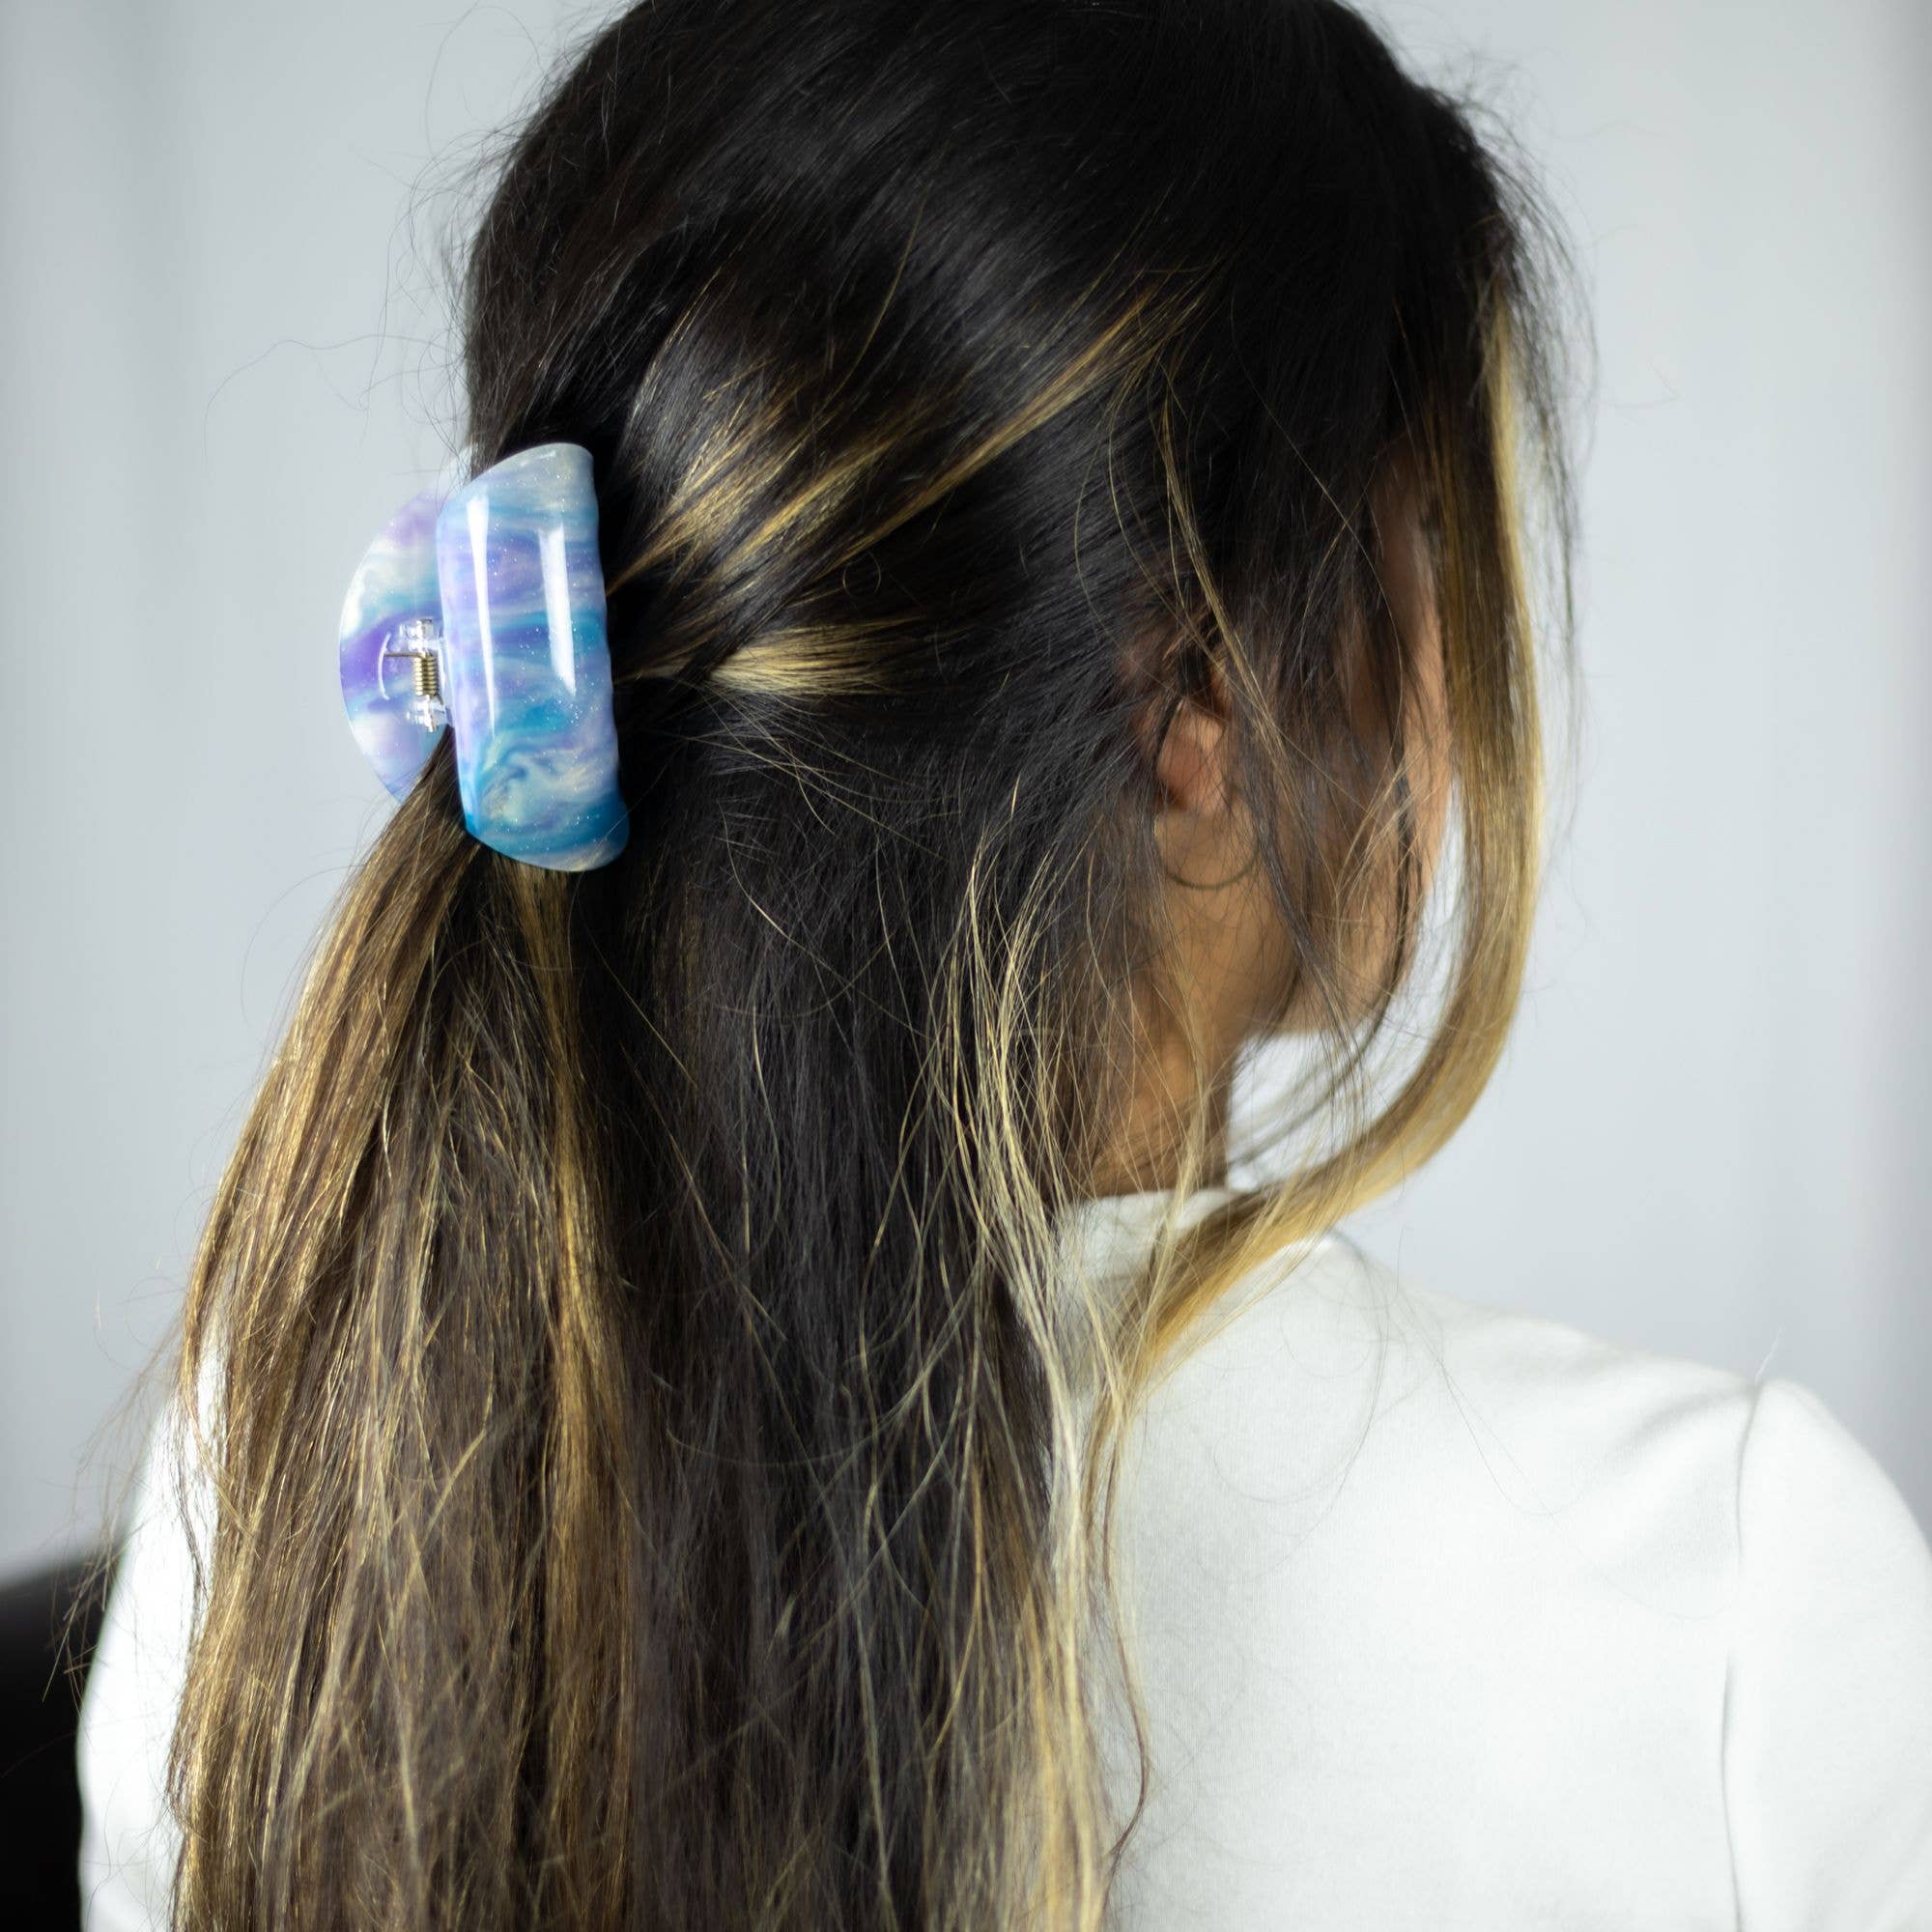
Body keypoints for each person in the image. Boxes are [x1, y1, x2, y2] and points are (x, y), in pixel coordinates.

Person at [75, 0, 1932, 1926]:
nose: (1456, 655)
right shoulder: (1724, 1609)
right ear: (1197, 691)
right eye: (1425, 542)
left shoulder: (282, 1472)